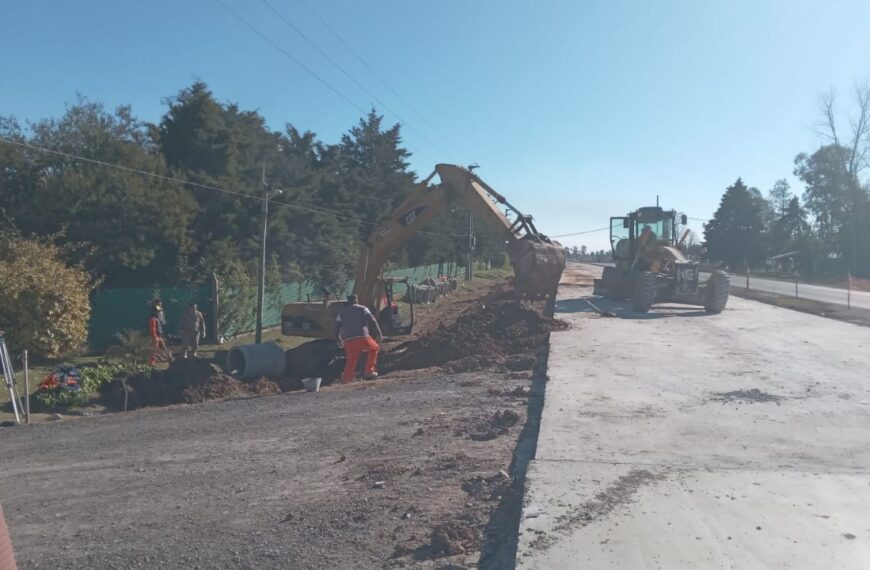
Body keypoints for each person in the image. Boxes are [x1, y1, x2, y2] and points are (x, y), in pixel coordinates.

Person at [335, 294, 383, 384]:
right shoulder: (363, 308)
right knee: (374, 348)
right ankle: (369, 371)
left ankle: (346, 379)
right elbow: (372, 320)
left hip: (348, 340)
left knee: (351, 359)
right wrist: (379, 333)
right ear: (356, 300)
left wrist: (338, 339)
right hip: (363, 337)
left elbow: (336, 327)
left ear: (348, 301)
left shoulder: (341, 312)